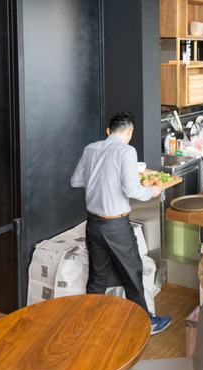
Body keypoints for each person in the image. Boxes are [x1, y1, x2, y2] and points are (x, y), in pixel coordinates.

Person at [71, 111, 171, 335]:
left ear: (108, 131)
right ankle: (145, 323)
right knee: (132, 272)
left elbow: (76, 181)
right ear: (130, 131)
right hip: (115, 225)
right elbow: (131, 190)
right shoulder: (127, 151)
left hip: (93, 223)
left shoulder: (90, 149)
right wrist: (153, 191)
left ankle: (87, 322)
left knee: (97, 277)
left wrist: (100, 180)